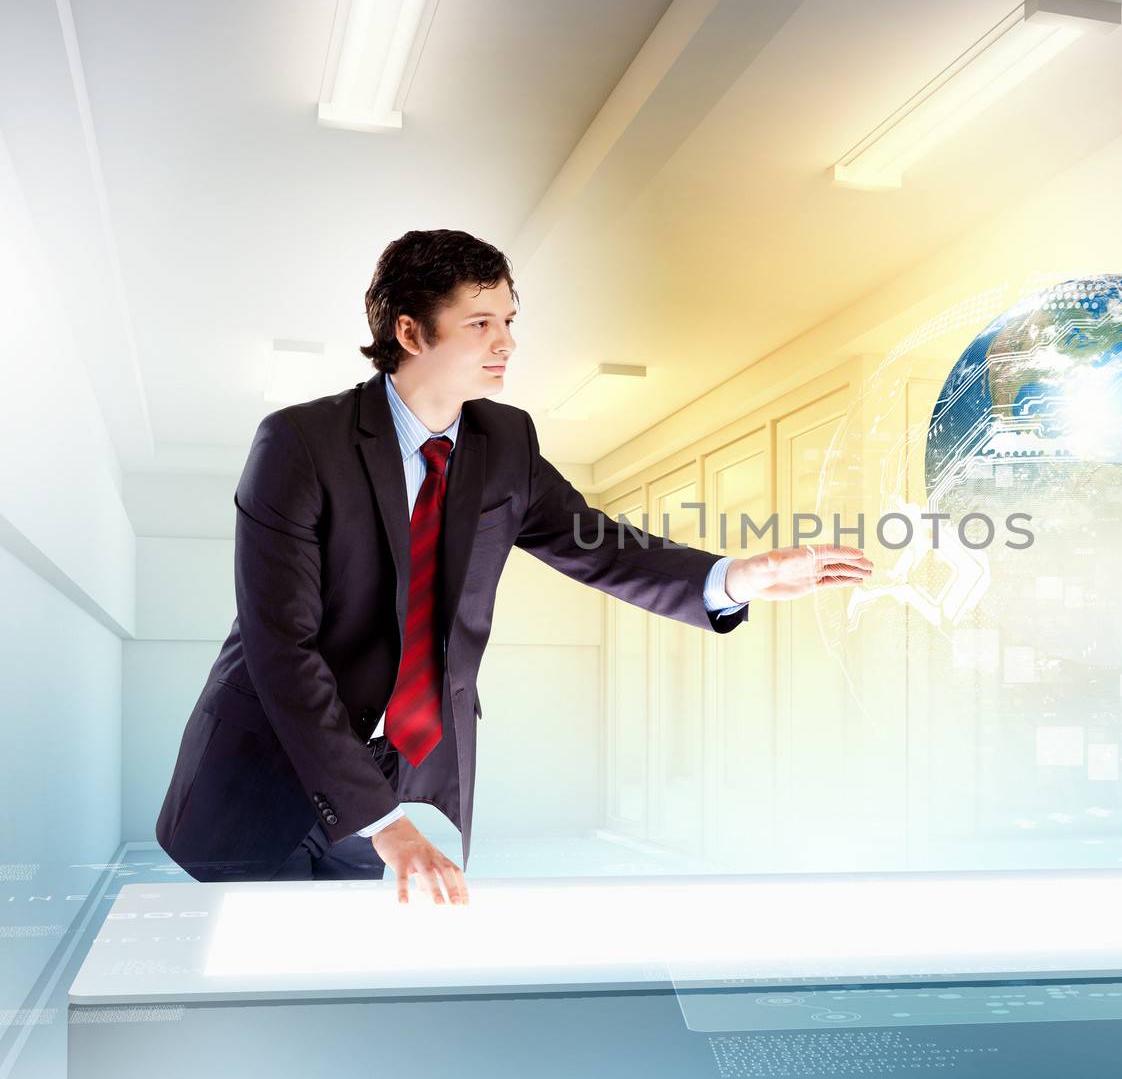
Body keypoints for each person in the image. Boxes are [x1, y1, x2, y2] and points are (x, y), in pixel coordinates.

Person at [154, 229, 872, 905]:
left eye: (509, 320)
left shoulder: (506, 441)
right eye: (480, 324)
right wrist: (385, 825)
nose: (506, 343)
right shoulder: (300, 444)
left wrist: (734, 578)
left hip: (395, 774)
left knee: (347, 972)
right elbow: (284, 650)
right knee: (247, 984)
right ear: (409, 333)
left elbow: (599, 545)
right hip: (264, 775)